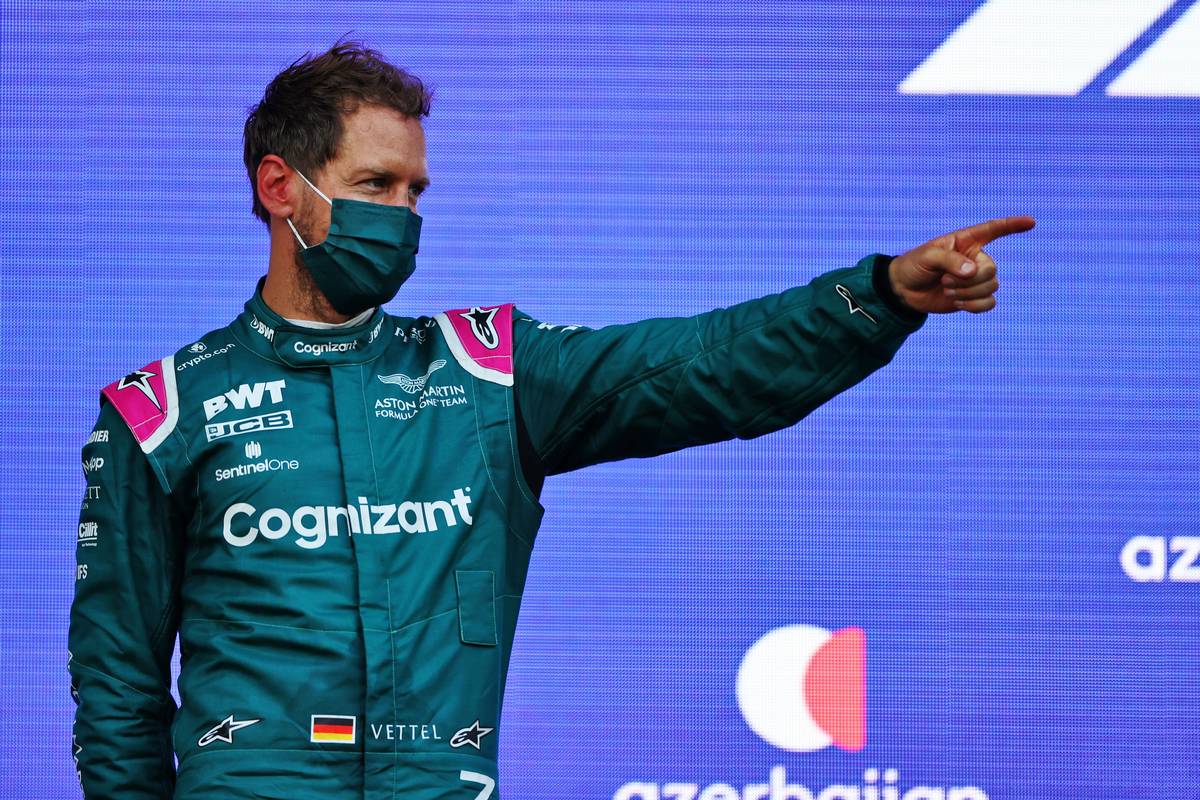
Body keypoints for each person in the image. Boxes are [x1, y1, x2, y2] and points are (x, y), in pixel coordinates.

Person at [68, 41, 1034, 799]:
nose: (403, 216)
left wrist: (876, 295)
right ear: (283, 188)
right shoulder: (162, 411)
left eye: (416, 192)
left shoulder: (487, 370)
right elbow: (118, 687)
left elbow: (704, 366)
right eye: (374, 187)